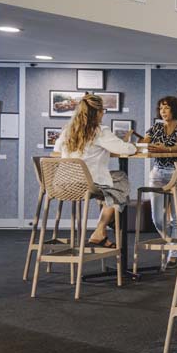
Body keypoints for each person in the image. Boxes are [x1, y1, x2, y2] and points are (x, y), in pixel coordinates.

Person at [54, 94, 136, 247]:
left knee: (111, 183)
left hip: (63, 184)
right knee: (121, 179)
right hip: (87, 184)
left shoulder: (68, 131)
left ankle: (104, 227)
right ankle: (101, 227)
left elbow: (56, 149)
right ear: (99, 112)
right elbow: (127, 149)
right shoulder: (99, 131)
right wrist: (134, 145)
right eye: (103, 110)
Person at [137, 96, 177, 268]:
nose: (163, 111)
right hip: (158, 173)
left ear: (174, 109)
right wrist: (140, 141)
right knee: (157, 219)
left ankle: (174, 252)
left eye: (166, 108)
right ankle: (173, 242)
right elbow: (143, 144)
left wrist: (163, 149)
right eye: (161, 108)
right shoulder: (155, 128)